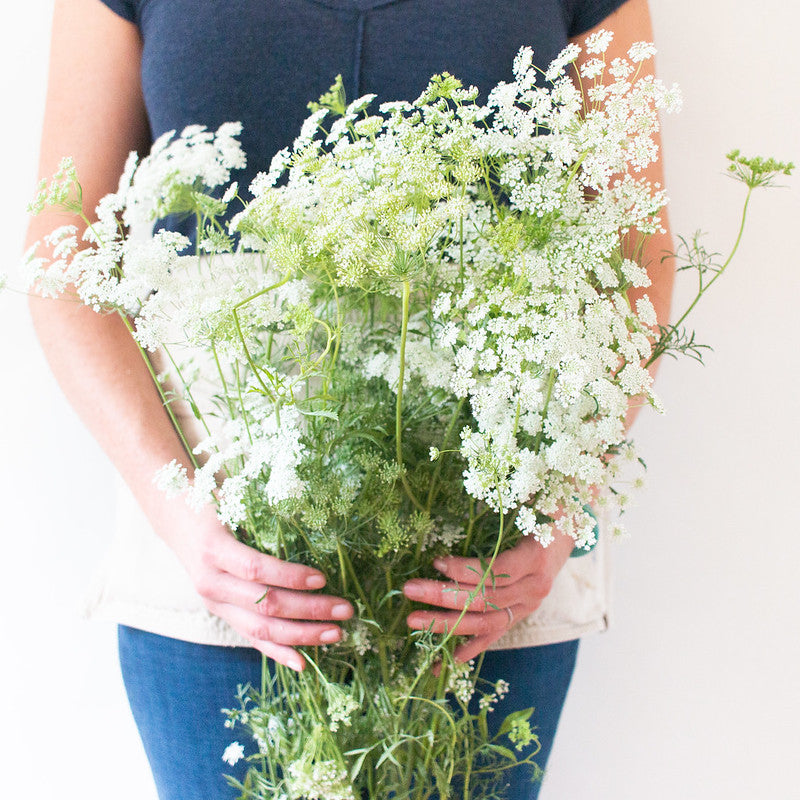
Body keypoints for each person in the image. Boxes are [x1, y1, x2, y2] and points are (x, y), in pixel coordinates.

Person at [26, 0, 673, 797]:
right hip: (221, 562)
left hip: (480, 564)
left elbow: (636, 250)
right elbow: (60, 259)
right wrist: (184, 520)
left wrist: (559, 514)